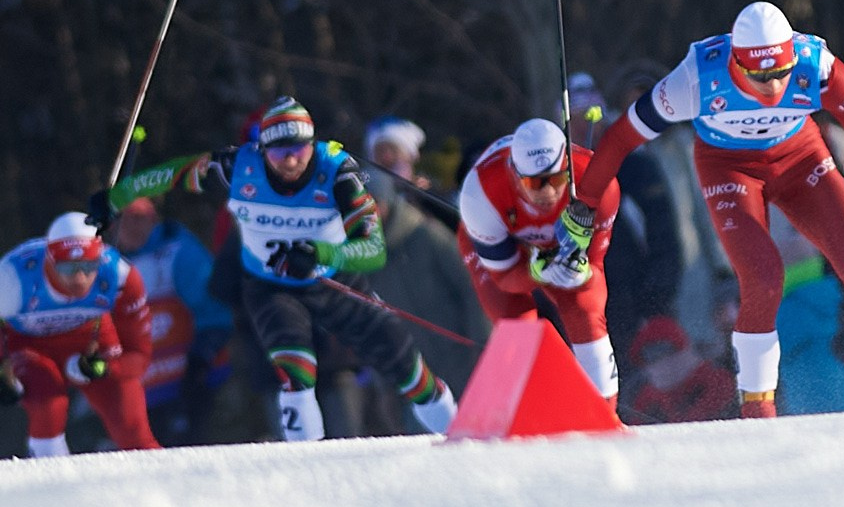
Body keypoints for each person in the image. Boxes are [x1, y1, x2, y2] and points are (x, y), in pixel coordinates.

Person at [570, 3, 844, 415]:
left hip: (800, 160)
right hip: (730, 169)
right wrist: (583, 210)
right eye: (759, 77)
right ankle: (757, 413)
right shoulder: (697, 78)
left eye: (781, 74)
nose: (772, 87)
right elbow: (619, 140)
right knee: (764, 279)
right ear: (736, 63)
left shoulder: (815, 65)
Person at [108, 98, 457, 441]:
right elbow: (171, 174)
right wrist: (115, 198)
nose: (290, 160)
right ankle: (301, 462)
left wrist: (322, 253)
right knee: (294, 374)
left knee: (402, 360)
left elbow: (373, 250)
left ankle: (458, 429)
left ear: (312, 145)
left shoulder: (337, 171)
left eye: (299, 150)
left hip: (334, 282)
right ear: (262, 149)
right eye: (277, 151)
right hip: (270, 286)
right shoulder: (238, 167)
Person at [459, 118, 623, 400]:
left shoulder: (598, 182)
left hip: (557, 247)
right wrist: (537, 272)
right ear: (514, 174)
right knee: (516, 323)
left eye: (557, 179)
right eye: (535, 183)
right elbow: (504, 278)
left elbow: (595, 267)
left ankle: (605, 414)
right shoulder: (480, 194)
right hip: (507, 247)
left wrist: (582, 273)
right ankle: (534, 409)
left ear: (568, 170)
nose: (547, 192)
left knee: (584, 307)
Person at [2, 213, 159, 456]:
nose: (79, 278)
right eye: (68, 267)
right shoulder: (13, 278)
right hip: (30, 344)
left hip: (91, 341)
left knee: (132, 427)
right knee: (48, 405)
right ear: (49, 261)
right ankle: (49, 483)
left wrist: (105, 368)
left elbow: (139, 355)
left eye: (88, 266)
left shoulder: (119, 275)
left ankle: (161, 487)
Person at [360, 117, 486, 392]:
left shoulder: (426, 226)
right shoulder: (365, 255)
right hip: (416, 379)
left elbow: (471, 286)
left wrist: (484, 346)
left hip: (463, 363)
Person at [572, 70, 685, 352]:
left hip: (645, 305)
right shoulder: (560, 177)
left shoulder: (633, 163)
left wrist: (656, 300)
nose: (587, 127)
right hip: (597, 310)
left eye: (593, 116)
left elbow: (663, 233)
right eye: (577, 119)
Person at [103, 191, 228, 444]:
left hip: (187, 380)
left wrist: (202, 357)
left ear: (154, 219)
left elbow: (213, 311)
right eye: (123, 219)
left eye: (139, 218)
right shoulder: (107, 264)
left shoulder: (176, 252)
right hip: (142, 385)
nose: (131, 227)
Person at [621, 316, 736, 426]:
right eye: (645, 359)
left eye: (663, 351)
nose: (655, 366)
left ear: (687, 351)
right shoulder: (647, 399)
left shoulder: (717, 382)